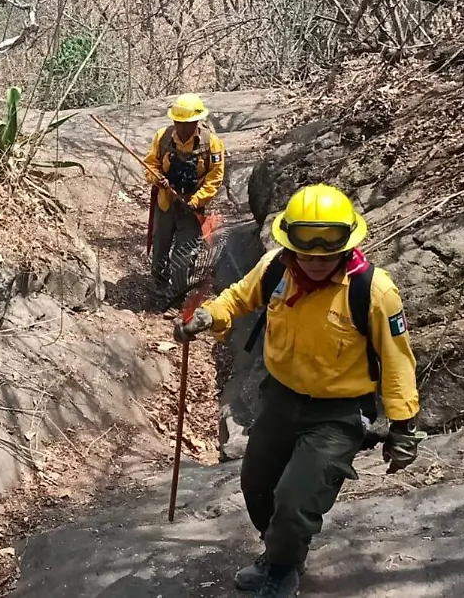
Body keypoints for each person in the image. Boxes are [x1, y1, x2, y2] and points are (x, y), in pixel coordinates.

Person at [173, 183, 427, 598]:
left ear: (346, 246)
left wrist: (403, 426)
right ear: (290, 245)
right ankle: (279, 551)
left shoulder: (374, 291)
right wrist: (206, 316)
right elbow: (238, 298)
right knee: (257, 485)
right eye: (305, 253)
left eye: (325, 255)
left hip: (338, 414)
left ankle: (283, 568)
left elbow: (398, 360)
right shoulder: (276, 269)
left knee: (295, 499)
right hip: (281, 397)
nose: (313, 262)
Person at [144, 93, 226, 304]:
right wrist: (158, 178)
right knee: (160, 248)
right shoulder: (163, 137)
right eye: (178, 122)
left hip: (191, 210)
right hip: (165, 204)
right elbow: (150, 164)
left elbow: (215, 178)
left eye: (186, 123)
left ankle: (177, 297)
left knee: (183, 256)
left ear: (197, 122)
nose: (181, 128)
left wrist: (196, 200)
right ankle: (159, 284)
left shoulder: (212, 144)